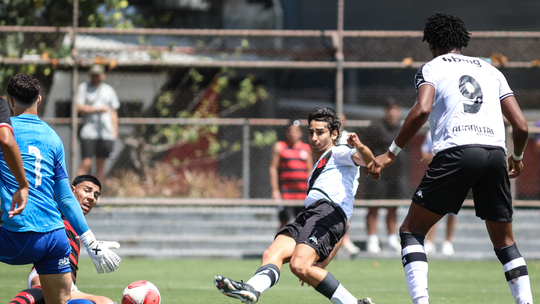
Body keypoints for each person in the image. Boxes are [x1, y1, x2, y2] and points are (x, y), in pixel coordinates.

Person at [367, 13, 532, 304]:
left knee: (411, 230)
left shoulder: (431, 68)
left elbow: (422, 110)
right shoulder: (491, 70)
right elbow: (521, 126)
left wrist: (390, 153)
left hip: (457, 152)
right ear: (462, 41)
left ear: (431, 43)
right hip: (495, 154)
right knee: (505, 243)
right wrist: (516, 157)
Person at [214, 107, 375, 304]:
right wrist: (324, 262)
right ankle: (253, 288)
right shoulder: (319, 165)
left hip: (327, 212)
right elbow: (345, 226)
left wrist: (359, 145)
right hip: (310, 214)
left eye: (320, 132)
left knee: (299, 265)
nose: (314, 137)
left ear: (334, 134)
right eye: (311, 132)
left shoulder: (340, 152)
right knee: (273, 253)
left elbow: (368, 160)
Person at [0, 74, 121, 304]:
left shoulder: (5, 130)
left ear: (11, 102)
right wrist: (91, 242)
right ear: (40, 99)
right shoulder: (53, 138)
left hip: (16, 236)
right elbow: (65, 197)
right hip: (54, 239)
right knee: (62, 301)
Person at [10, 175, 116, 304]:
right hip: (46, 273)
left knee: (105, 302)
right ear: (71, 190)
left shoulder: (79, 228)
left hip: (67, 285)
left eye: (96, 195)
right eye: (87, 190)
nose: (91, 197)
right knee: (42, 288)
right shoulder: (55, 215)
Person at [363, 98, 408, 253]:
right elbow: (365, 151)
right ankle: (372, 239)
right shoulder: (375, 127)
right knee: (374, 206)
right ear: (385, 111)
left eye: (396, 109)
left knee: (393, 208)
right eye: (390, 109)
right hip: (378, 174)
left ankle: (391, 239)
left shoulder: (403, 128)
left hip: (397, 175)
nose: (393, 112)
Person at [76, 64, 120, 182]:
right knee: (86, 162)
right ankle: (76, 191)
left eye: (98, 75)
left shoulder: (109, 90)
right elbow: (78, 106)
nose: (96, 77)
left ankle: (97, 193)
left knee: (101, 165)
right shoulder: (83, 88)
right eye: (94, 75)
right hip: (89, 132)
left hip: (105, 133)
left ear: (103, 75)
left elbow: (113, 112)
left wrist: (114, 130)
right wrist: (96, 109)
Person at [269, 121, 313, 229]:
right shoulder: (280, 147)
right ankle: (279, 245)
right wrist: (275, 190)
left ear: (301, 133)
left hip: (302, 194)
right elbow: (273, 168)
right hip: (286, 194)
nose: (293, 133)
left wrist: (311, 190)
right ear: (286, 133)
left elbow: (310, 170)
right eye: (290, 131)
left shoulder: (306, 148)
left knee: (304, 223)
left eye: (296, 131)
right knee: (284, 222)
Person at [420, 132, 456, 256]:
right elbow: (424, 154)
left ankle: (447, 243)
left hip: (455, 177)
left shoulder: (458, 130)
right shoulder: (432, 132)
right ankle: (430, 242)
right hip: (436, 178)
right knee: (433, 210)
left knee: (452, 212)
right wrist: (443, 157)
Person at [337, 114, 360, 254]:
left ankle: (345, 240)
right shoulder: (327, 138)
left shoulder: (349, 138)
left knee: (345, 212)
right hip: (332, 182)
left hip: (347, 182)